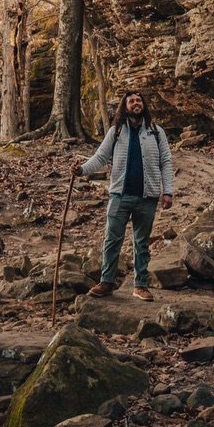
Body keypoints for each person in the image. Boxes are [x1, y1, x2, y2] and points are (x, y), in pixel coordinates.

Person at [73, 90, 174, 301]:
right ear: (125, 106)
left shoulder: (156, 132)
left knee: (141, 242)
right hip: (120, 195)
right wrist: (82, 169)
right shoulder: (116, 131)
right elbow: (101, 157)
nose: (136, 103)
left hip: (148, 197)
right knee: (112, 239)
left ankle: (141, 285)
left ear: (143, 105)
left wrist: (168, 191)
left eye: (138, 100)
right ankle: (107, 282)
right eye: (131, 101)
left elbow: (166, 162)